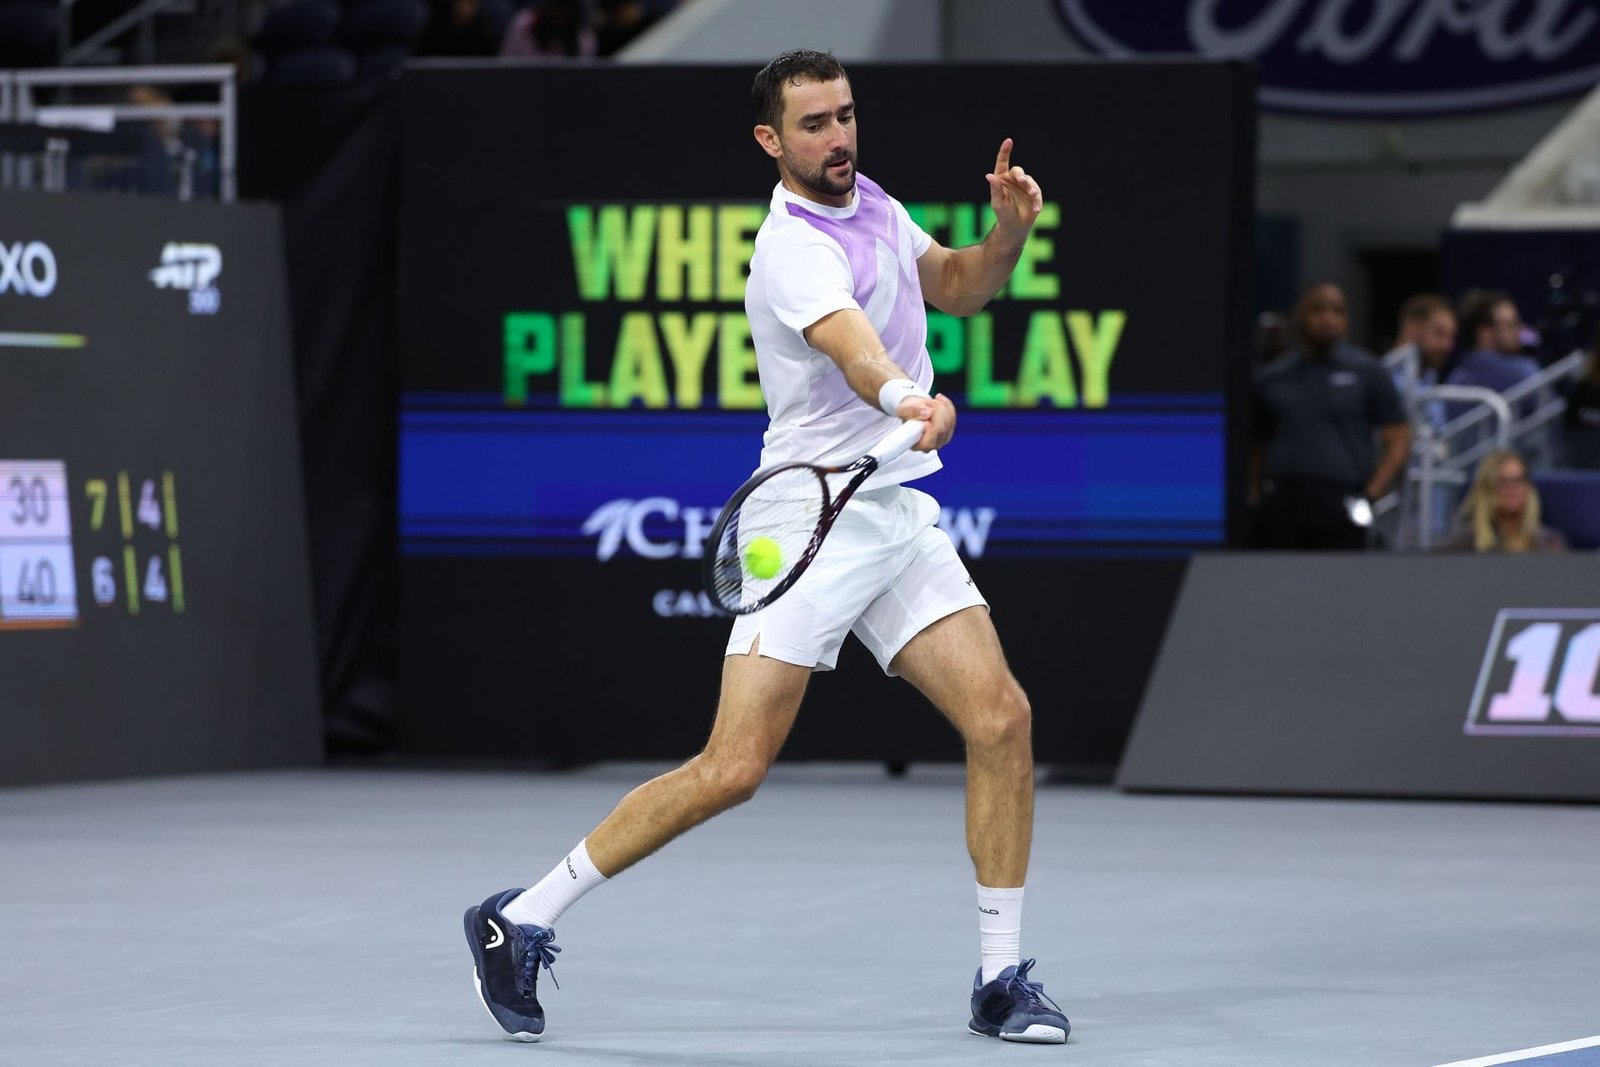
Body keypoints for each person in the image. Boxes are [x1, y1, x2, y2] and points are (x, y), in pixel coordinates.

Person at [462, 49, 1070, 1045]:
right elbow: (852, 349)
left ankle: (1000, 978)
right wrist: (905, 396)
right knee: (733, 765)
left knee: (1000, 718)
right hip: (806, 520)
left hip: (891, 510)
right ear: (770, 140)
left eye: (845, 115)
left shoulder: (872, 200)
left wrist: (1007, 230)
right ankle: (519, 915)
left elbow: (958, 288)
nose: (838, 139)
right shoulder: (790, 249)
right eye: (815, 124)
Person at [1250, 282, 1412, 549]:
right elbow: (1256, 444)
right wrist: (1254, 495)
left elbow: (1398, 438)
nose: (1328, 319)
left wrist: (1371, 494)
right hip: (1282, 501)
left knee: (1342, 584)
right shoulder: (1272, 377)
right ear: (1299, 316)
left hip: (1343, 499)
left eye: (1338, 311)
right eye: (1317, 310)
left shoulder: (1368, 372)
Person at [1439, 449, 1568, 553]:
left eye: (1519, 480)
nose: (1513, 488)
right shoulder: (1466, 543)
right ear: (1487, 490)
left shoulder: (1550, 543)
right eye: (1503, 482)